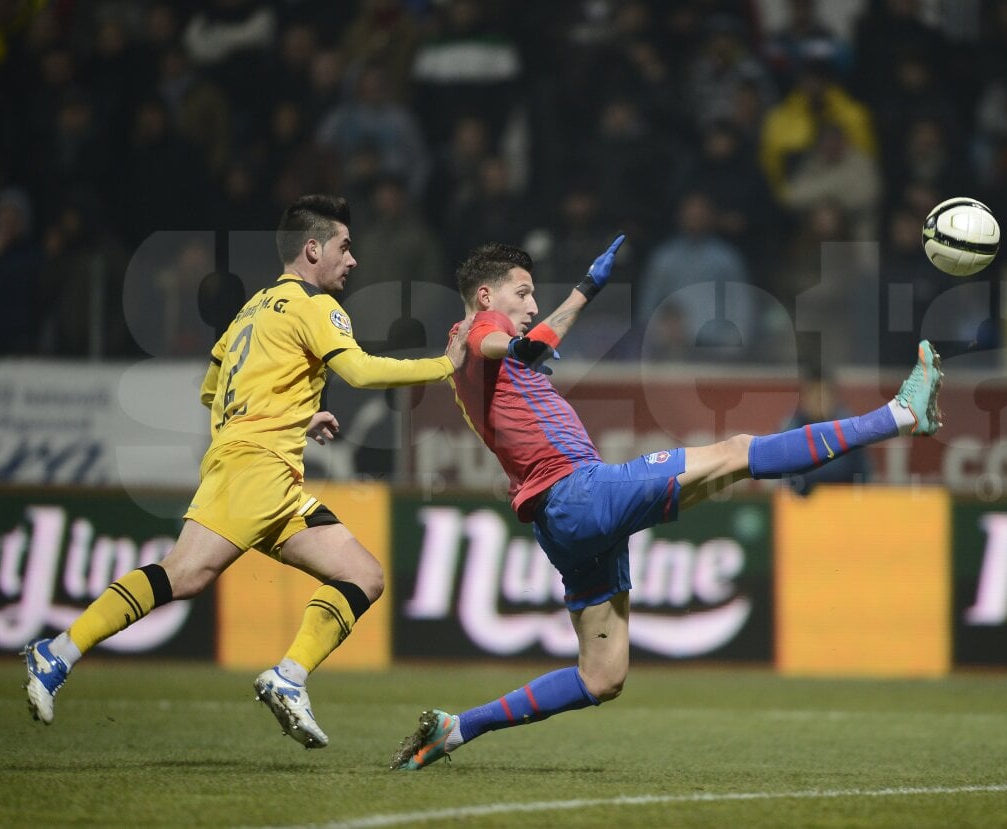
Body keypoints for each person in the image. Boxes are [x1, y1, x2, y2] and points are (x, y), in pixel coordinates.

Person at [390, 236, 943, 770]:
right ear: (487, 296)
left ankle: (458, 728)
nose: (533, 305)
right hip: (581, 493)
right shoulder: (483, 331)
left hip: (560, 521)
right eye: (523, 293)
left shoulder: (472, 351)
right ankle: (899, 414)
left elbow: (525, 349)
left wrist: (572, 302)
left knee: (601, 677)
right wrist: (549, 315)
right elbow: (507, 341)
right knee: (737, 452)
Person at [24, 194, 471, 749]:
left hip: (269, 472)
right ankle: (58, 652)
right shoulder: (315, 306)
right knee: (184, 575)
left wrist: (294, 416)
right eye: (345, 246)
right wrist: (445, 365)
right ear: (313, 249)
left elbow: (214, 390)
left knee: (363, 575)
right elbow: (358, 371)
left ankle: (289, 677)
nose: (353, 260)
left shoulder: (252, 308)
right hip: (256, 467)